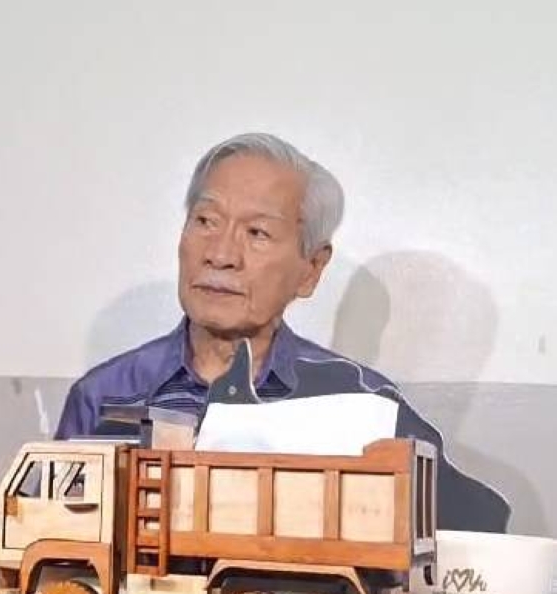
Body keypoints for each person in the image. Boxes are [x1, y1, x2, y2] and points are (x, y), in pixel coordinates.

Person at [56, 132, 392, 438]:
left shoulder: (362, 410)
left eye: (257, 233)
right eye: (206, 221)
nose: (220, 255)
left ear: (311, 269)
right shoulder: (102, 398)